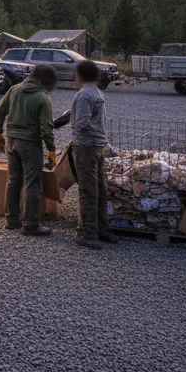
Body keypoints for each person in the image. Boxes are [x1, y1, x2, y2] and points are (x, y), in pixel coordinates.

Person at [0, 64, 58, 236]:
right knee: (32, 183)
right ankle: (30, 224)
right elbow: (46, 129)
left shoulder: (14, 90)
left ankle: (11, 220)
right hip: (29, 144)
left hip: (11, 141)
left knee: (14, 180)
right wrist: (52, 150)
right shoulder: (43, 98)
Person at [71, 60, 114, 249]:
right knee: (100, 188)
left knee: (88, 190)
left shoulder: (83, 95)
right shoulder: (97, 93)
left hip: (87, 146)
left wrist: (75, 130)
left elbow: (81, 122)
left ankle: (88, 233)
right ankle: (103, 228)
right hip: (98, 145)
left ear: (80, 75)